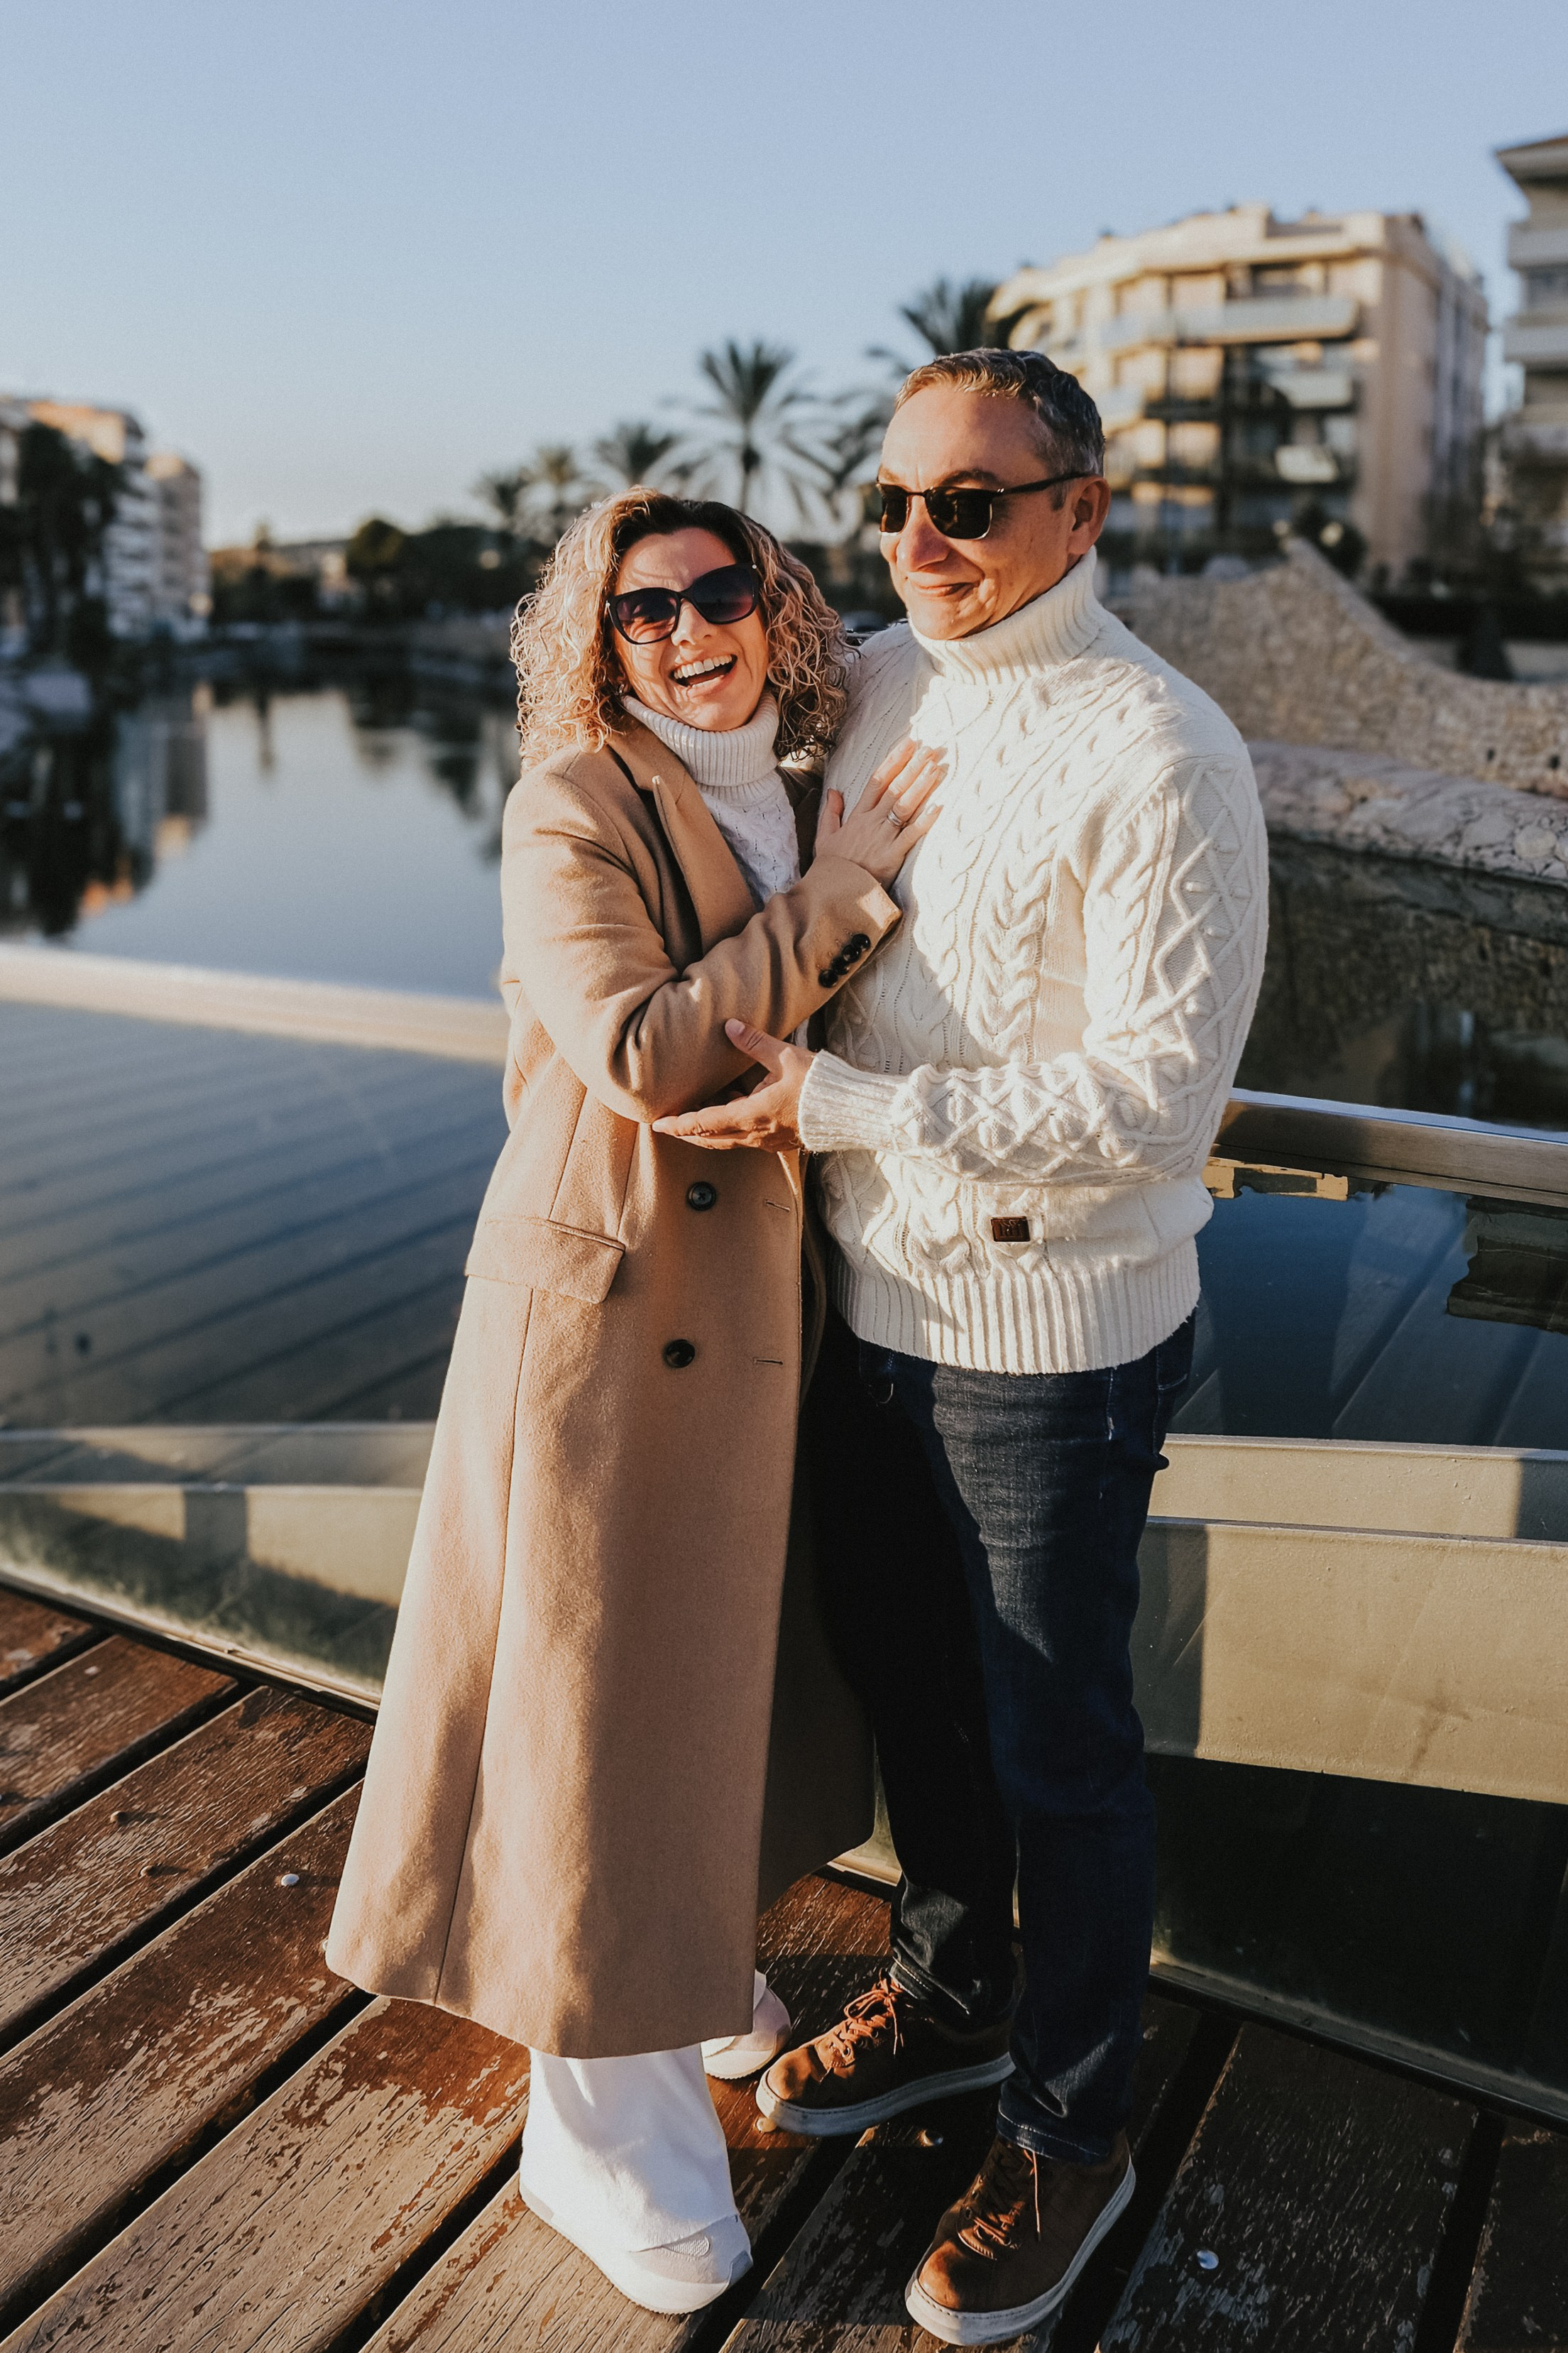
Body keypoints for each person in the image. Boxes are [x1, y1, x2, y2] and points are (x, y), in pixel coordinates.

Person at [655, 351, 1268, 2345]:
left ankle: (1072, 2127)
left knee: (1059, 1752)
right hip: (864, 1310)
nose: (920, 541)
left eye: (973, 504)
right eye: (895, 502)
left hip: (1056, 1345)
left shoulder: (1164, 748)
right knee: (921, 1696)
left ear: (1081, 512)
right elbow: (692, 730)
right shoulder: (894, 686)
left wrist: (851, 1119)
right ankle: (954, 1991)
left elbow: (1160, 1100)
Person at [325, 490, 941, 2315]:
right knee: (600, 1709)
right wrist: (836, 901)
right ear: (596, 649)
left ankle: (689, 1972)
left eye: (715, 591)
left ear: (777, 602)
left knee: (726, 1677)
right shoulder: (572, 803)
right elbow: (654, 1052)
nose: (684, 631)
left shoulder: (820, 770)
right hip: (614, 1312)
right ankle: (596, 2130)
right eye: (638, 611)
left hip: (781, 1302)